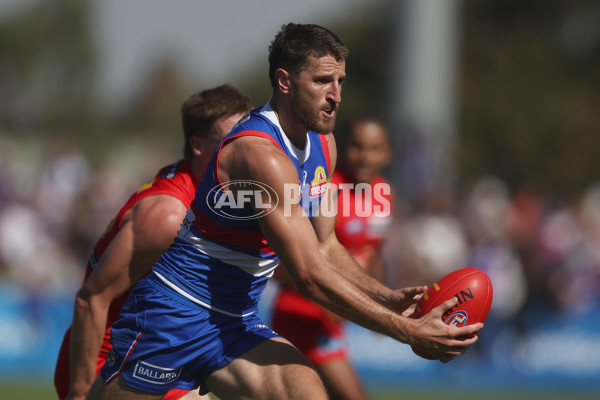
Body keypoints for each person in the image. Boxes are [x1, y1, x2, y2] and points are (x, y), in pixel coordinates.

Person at [88, 23, 483, 400]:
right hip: (173, 315)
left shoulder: (323, 146)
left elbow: (326, 246)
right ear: (284, 82)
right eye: (322, 81)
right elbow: (309, 275)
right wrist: (406, 332)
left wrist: (388, 297)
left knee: (304, 392)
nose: (336, 95)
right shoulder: (260, 156)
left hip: (235, 323)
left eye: (340, 81)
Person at [53, 83, 252, 400]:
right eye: (229, 143)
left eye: (248, 141)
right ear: (198, 146)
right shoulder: (169, 215)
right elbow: (91, 299)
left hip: (166, 349)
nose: (244, 153)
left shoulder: (215, 193)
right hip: (112, 362)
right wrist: (80, 392)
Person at [270, 116, 393, 400]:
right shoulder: (325, 189)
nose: (364, 156)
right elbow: (282, 261)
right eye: (357, 146)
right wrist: (326, 298)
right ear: (343, 148)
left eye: (374, 148)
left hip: (334, 320)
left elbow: (374, 252)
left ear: (387, 153)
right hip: (302, 315)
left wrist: (384, 299)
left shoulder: (385, 193)